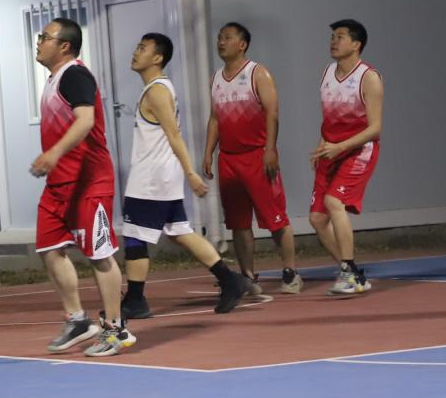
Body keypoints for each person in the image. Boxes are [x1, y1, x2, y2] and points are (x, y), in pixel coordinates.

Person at [122, 32, 251, 322]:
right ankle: (230, 280)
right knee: (180, 232)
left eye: (142, 48)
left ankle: (135, 300)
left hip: (151, 179)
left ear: (157, 58)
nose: (136, 52)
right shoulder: (158, 88)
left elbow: (174, 135)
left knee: (134, 236)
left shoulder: (157, 91)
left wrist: (191, 173)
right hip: (162, 176)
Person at [32, 17, 133, 357]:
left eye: (45, 37)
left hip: (89, 182)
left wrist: (54, 152)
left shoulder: (75, 75)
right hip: (58, 184)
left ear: (64, 46)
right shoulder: (53, 79)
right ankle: (78, 321)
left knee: (99, 256)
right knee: (49, 249)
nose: (38, 41)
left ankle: (116, 330)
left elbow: (86, 120)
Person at [202, 22, 302, 295]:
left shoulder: (258, 74)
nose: (221, 42)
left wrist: (270, 149)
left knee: (275, 219)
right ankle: (248, 277)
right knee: (238, 223)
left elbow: (273, 113)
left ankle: (291, 272)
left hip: (257, 157)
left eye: (227, 37)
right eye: (219, 37)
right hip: (229, 160)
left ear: (242, 44)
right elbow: (214, 119)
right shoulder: (216, 79)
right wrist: (208, 152)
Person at [309, 19, 383, 297]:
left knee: (333, 202)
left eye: (340, 37)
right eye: (332, 36)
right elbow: (329, 118)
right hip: (331, 150)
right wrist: (322, 145)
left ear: (356, 44)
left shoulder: (369, 78)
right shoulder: (326, 73)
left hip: (358, 151)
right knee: (317, 219)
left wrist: (339, 148)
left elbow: (375, 128)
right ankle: (350, 271)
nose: (333, 41)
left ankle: (349, 271)